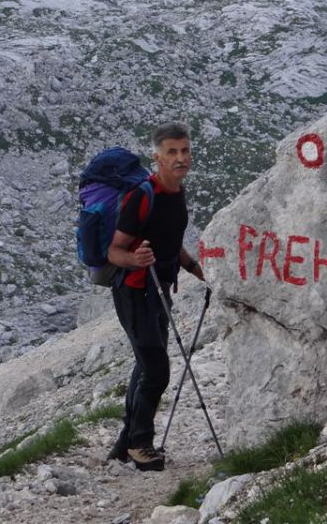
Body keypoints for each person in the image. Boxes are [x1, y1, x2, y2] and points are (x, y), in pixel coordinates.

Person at [106, 121, 204, 471]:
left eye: (185, 150)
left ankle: (124, 443)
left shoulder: (177, 193)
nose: (181, 158)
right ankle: (140, 445)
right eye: (172, 152)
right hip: (133, 293)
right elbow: (113, 251)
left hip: (159, 291)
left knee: (145, 366)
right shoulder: (141, 197)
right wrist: (135, 259)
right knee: (157, 368)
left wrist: (196, 270)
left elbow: (170, 241)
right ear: (157, 157)